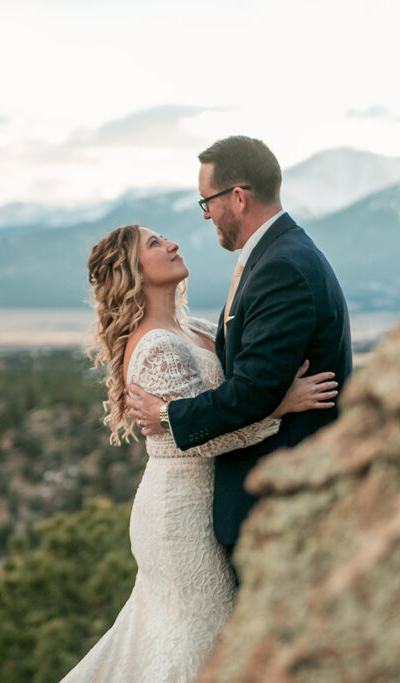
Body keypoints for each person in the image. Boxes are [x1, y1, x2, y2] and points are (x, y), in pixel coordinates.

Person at [59, 224, 337, 683]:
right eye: (155, 244)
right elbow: (201, 439)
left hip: (206, 505)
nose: (172, 244)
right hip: (179, 516)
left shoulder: (195, 329)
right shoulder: (156, 345)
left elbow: (227, 400)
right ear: (134, 273)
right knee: (199, 643)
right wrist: (281, 406)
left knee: (190, 639)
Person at [127, 135, 353, 569]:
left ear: (238, 197)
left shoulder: (280, 266)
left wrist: (165, 416)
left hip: (278, 503)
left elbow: (252, 391)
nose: (207, 213)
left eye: (206, 201)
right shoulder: (277, 255)